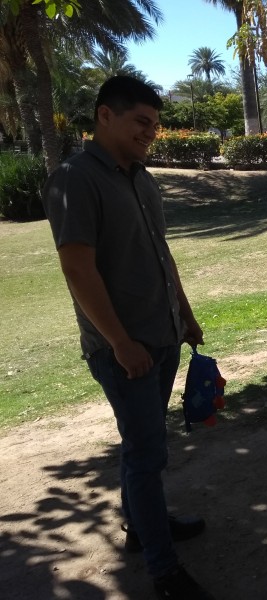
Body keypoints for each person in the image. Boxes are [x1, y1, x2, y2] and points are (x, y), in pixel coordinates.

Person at [42, 76, 214, 600]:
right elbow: (77, 267)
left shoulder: (141, 177)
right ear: (104, 116)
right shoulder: (75, 178)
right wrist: (119, 342)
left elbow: (162, 253)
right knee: (147, 455)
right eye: (142, 122)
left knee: (141, 446)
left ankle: (142, 527)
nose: (150, 133)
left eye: (155, 125)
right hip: (126, 349)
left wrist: (183, 313)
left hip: (160, 335)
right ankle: (163, 570)